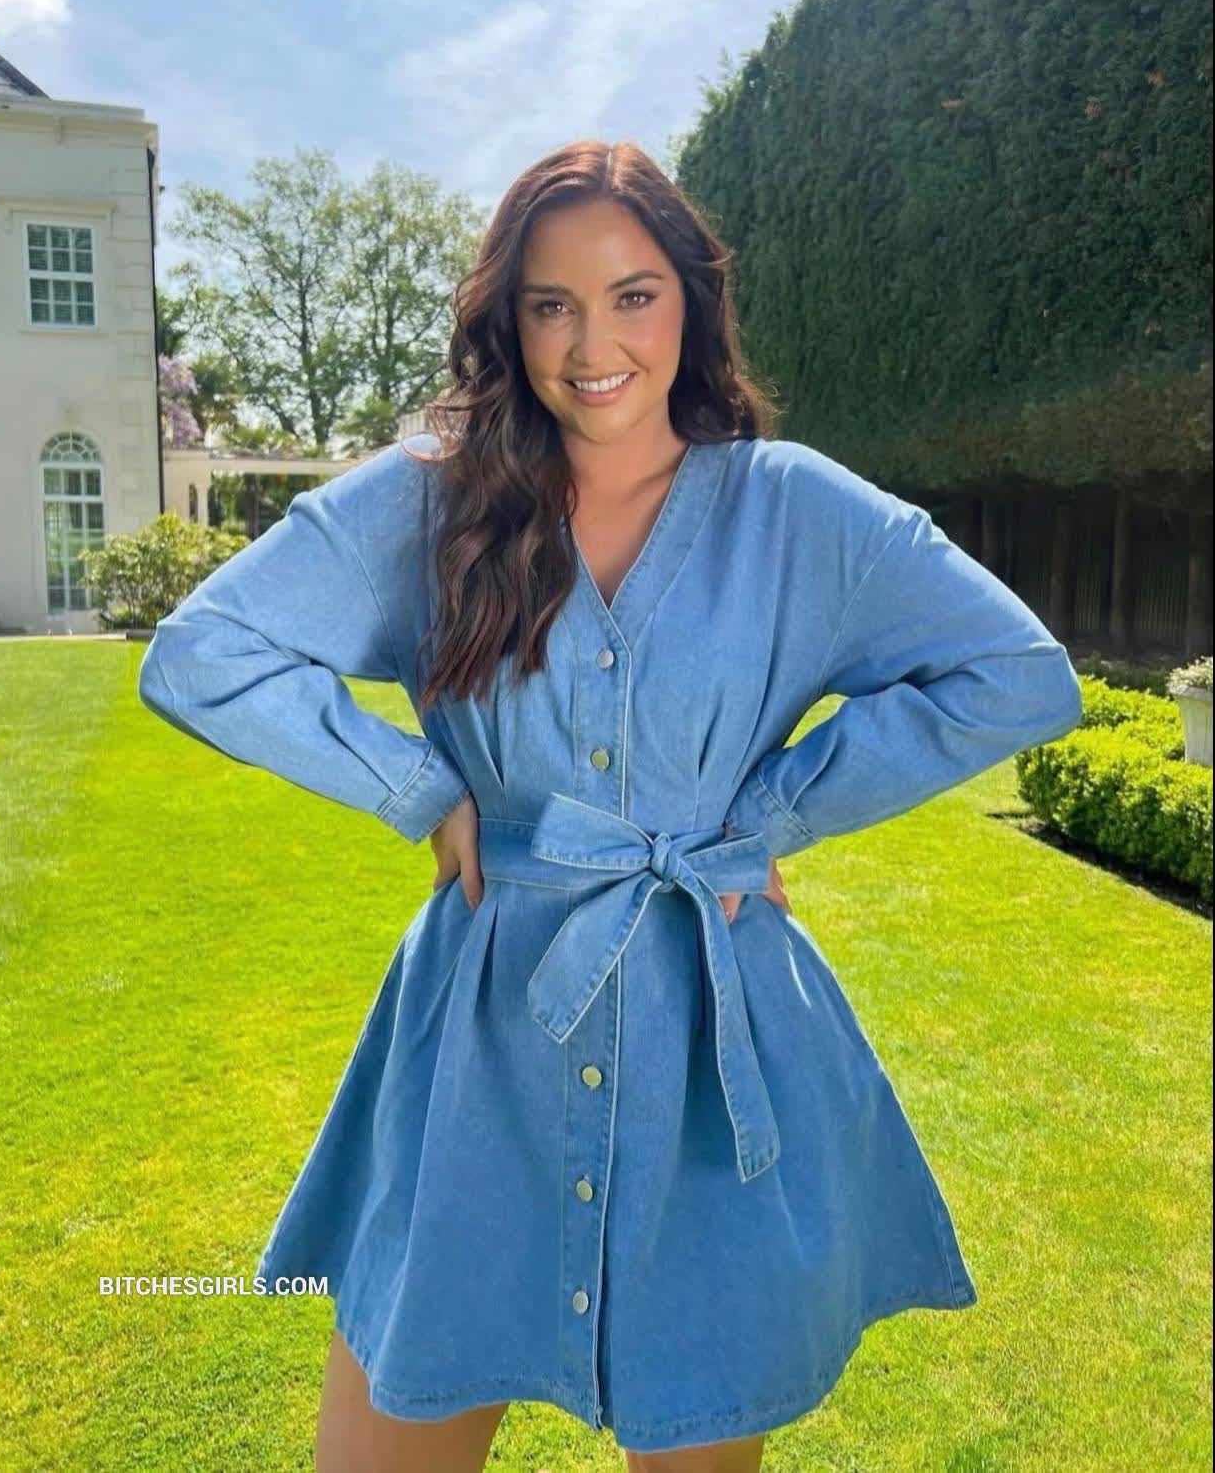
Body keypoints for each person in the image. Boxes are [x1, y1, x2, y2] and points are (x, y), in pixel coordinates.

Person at [137, 139, 1083, 1473]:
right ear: (509, 322)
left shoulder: (794, 513)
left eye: (633, 295)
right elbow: (201, 656)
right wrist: (420, 789)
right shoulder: (431, 500)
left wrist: (771, 813)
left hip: (711, 1039)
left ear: (691, 301)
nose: (594, 345)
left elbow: (1015, 676)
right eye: (552, 305)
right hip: (477, 1039)